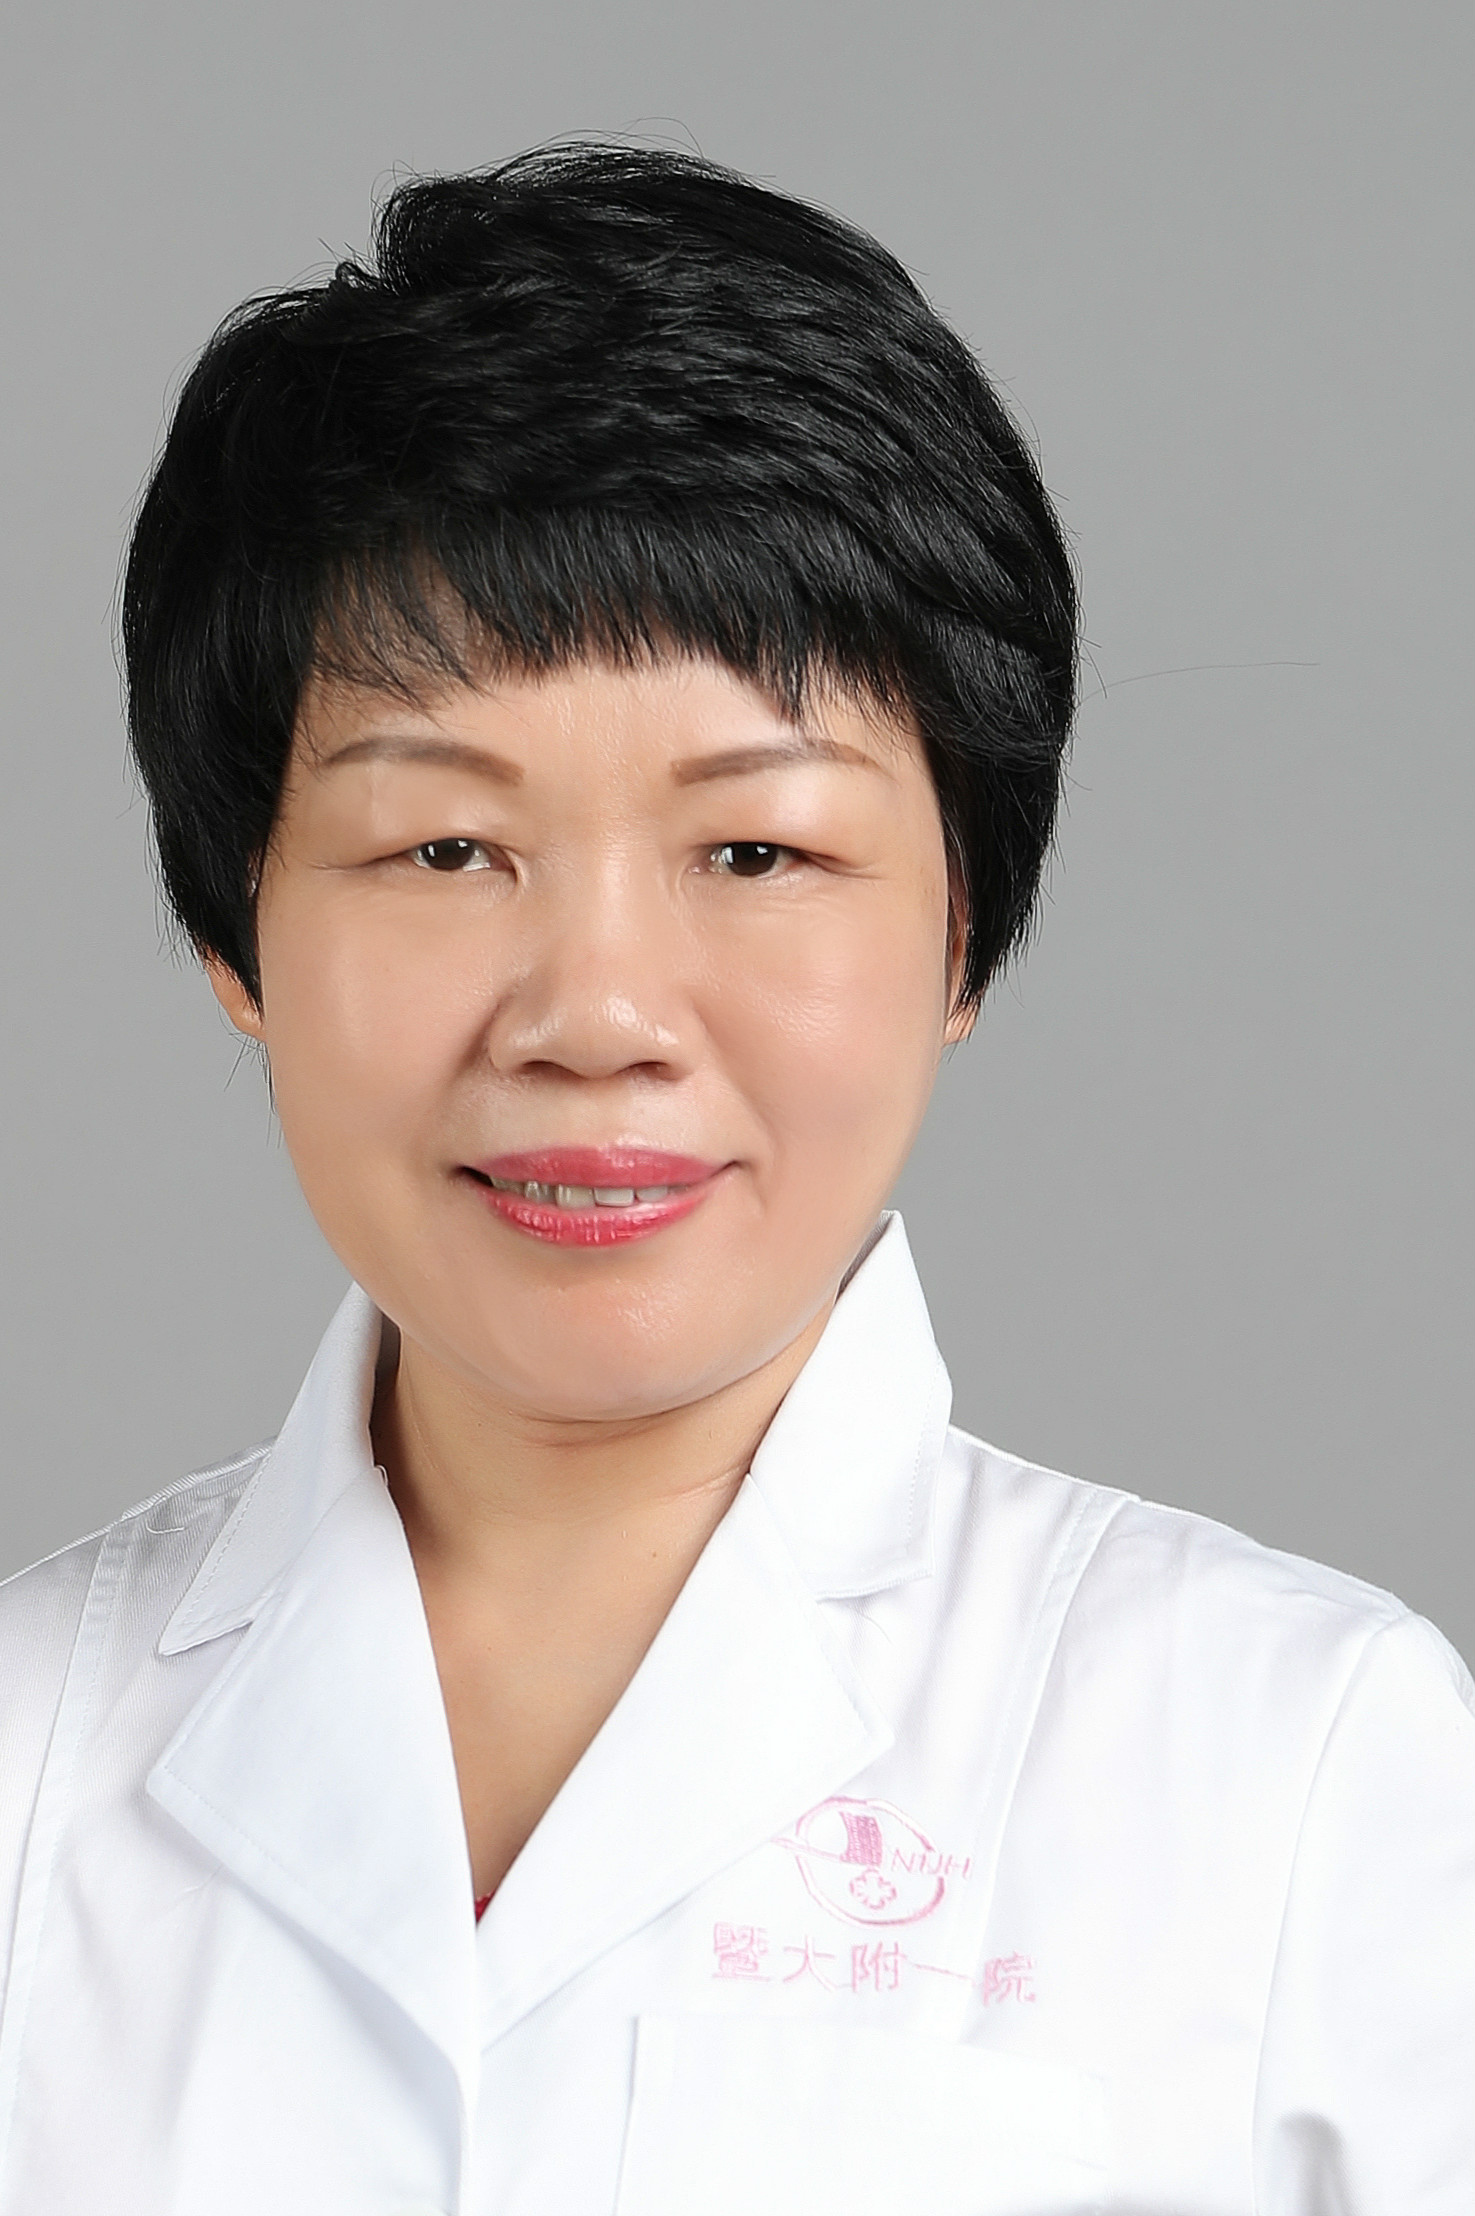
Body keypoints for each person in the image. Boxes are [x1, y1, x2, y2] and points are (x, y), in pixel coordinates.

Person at [0, 144, 1470, 2216]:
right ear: (238, 934)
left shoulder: (1303, 1768)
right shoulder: (26, 1756)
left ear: (962, 933)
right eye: (444, 849)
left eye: (757, 849)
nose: (596, 1011)